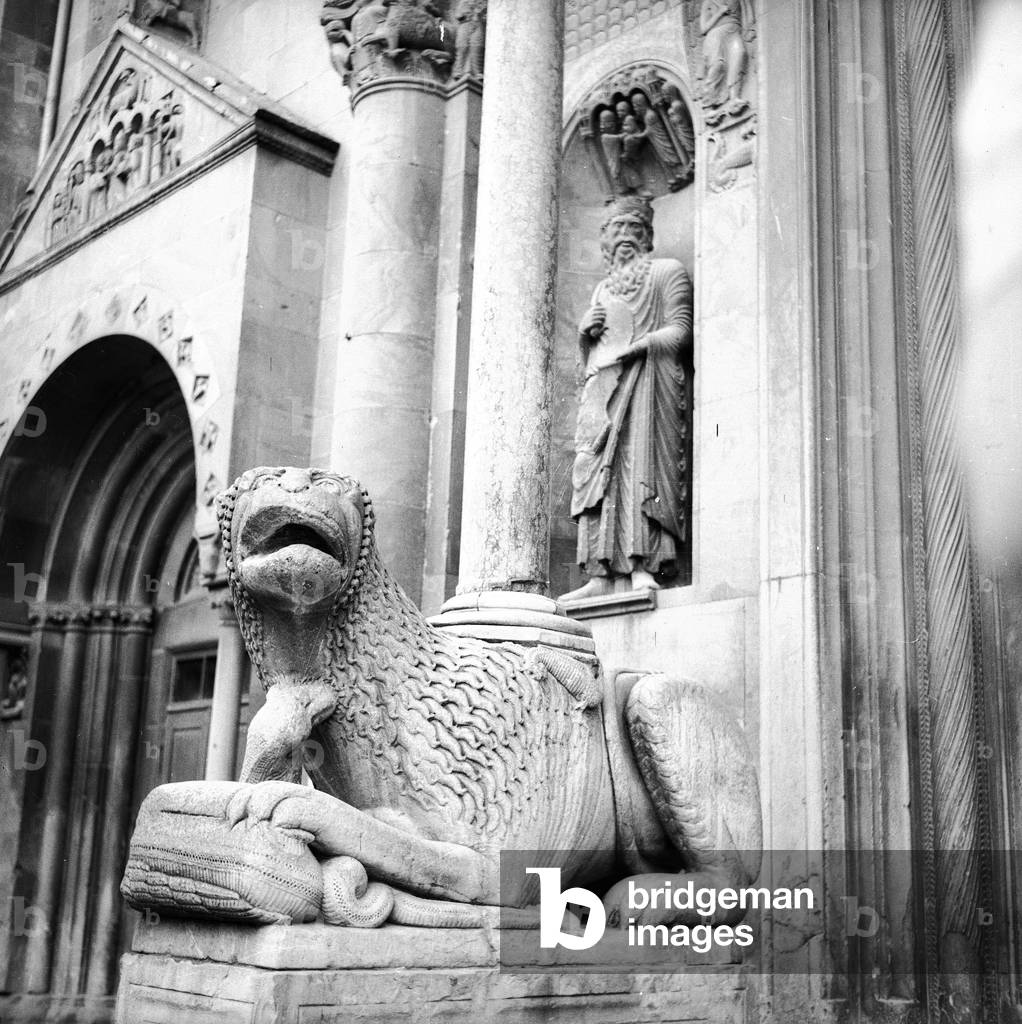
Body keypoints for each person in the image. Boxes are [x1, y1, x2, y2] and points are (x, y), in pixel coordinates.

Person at [560, 197, 693, 601]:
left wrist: (640, 346)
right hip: (606, 392)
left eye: (632, 229)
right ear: (604, 245)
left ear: (647, 235)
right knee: (601, 472)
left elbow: (681, 330)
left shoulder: (667, 272)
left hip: (650, 387)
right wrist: (586, 334)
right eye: (615, 232)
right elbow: (594, 354)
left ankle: (643, 567)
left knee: (643, 469)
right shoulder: (603, 288)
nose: (624, 239)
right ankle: (600, 573)